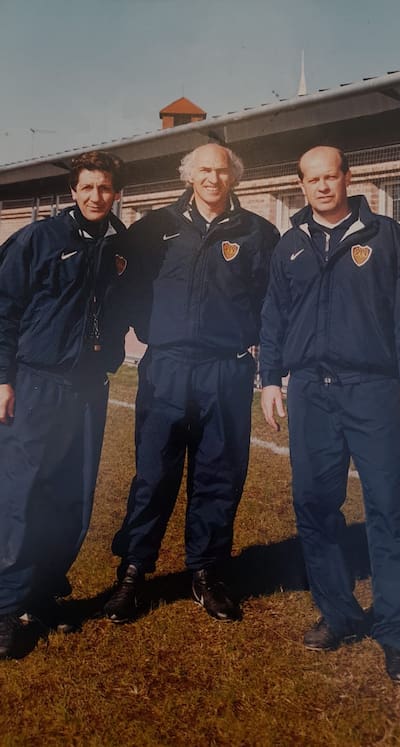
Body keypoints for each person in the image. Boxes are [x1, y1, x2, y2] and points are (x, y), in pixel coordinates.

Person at [260, 144, 400, 685]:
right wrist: (269, 381)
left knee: (390, 511)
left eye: (331, 177)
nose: (323, 187)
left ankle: (398, 636)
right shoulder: (290, 246)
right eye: (312, 179)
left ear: (348, 179)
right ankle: (339, 614)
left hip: (373, 391)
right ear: (301, 185)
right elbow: (273, 319)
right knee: (314, 505)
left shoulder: (389, 239)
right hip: (310, 393)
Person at [104, 143, 279, 623]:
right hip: (168, 366)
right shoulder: (156, 228)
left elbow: (273, 302)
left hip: (226, 368)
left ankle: (207, 572)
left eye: (221, 170)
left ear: (234, 177)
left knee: (219, 475)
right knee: (154, 473)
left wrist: (270, 365)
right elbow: (120, 279)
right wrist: (145, 329)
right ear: (188, 175)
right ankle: (134, 571)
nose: (212, 178)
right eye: (203, 170)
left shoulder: (258, 232)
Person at [0, 150, 129, 657]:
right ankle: (6, 608)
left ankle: (44, 592)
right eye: (88, 187)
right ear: (74, 192)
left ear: (116, 192)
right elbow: (4, 310)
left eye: (105, 188)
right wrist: (2, 379)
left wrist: (112, 353)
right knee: (22, 493)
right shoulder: (40, 239)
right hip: (36, 383)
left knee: (73, 496)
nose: (97, 196)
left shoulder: (122, 246)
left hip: (88, 387)